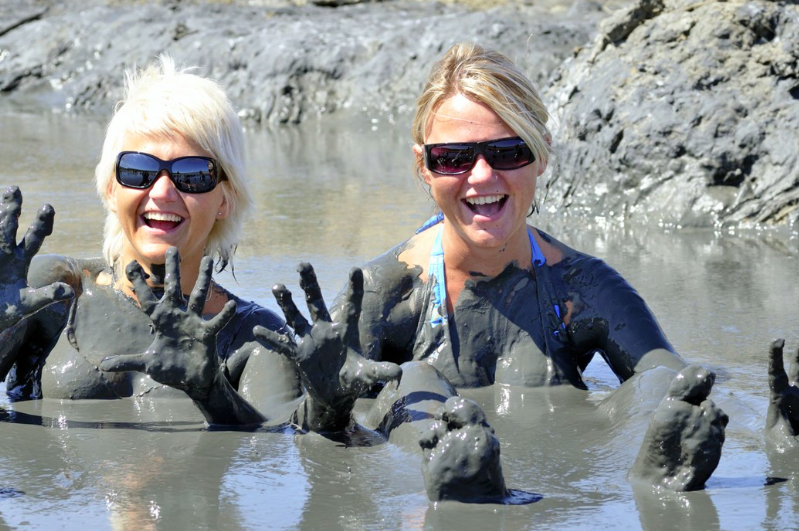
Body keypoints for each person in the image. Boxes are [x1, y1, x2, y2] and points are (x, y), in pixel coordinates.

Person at [253, 43, 729, 501]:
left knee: (659, 383)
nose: (481, 176)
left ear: (541, 152)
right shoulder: (383, 292)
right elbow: (305, 429)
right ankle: (460, 480)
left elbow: (670, 378)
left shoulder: (582, 287)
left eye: (506, 152)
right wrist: (326, 405)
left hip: (559, 483)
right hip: (426, 464)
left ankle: (659, 468)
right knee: (416, 378)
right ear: (424, 167)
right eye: (454, 158)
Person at [0, 56, 308, 426]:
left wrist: (213, 393)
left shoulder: (257, 335)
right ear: (111, 189)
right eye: (138, 171)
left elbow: (275, 448)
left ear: (225, 200)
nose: (161, 193)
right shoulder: (57, 292)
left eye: (191, 174)